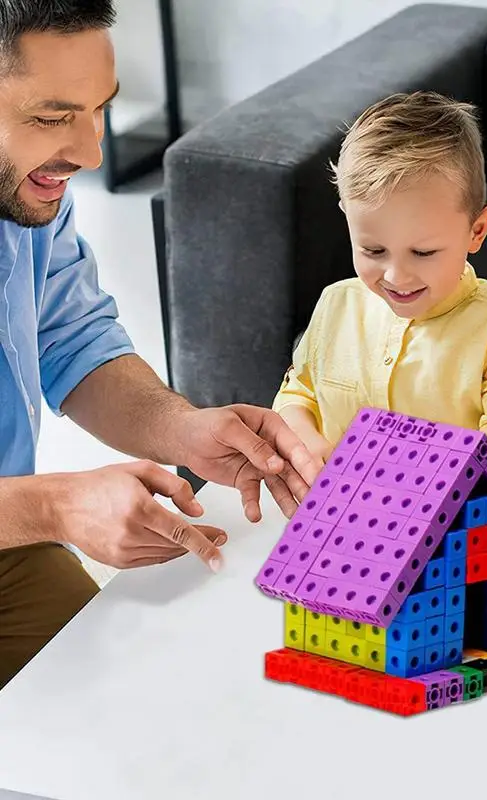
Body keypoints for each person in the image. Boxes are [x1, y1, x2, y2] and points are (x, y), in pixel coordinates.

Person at [0, 1, 320, 689]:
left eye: (99, 110)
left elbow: (72, 339)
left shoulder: (24, 193)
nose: (90, 153)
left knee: (131, 702)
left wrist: (181, 427)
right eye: (52, 118)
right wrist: (53, 506)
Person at [273, 91, 487, 495]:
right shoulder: (336, 304)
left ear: (477, 230)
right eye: (373, 250)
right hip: (337, 529)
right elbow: (296, 394)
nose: (396, 275)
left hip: (454, 540)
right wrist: (305, 442)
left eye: (423, 252)